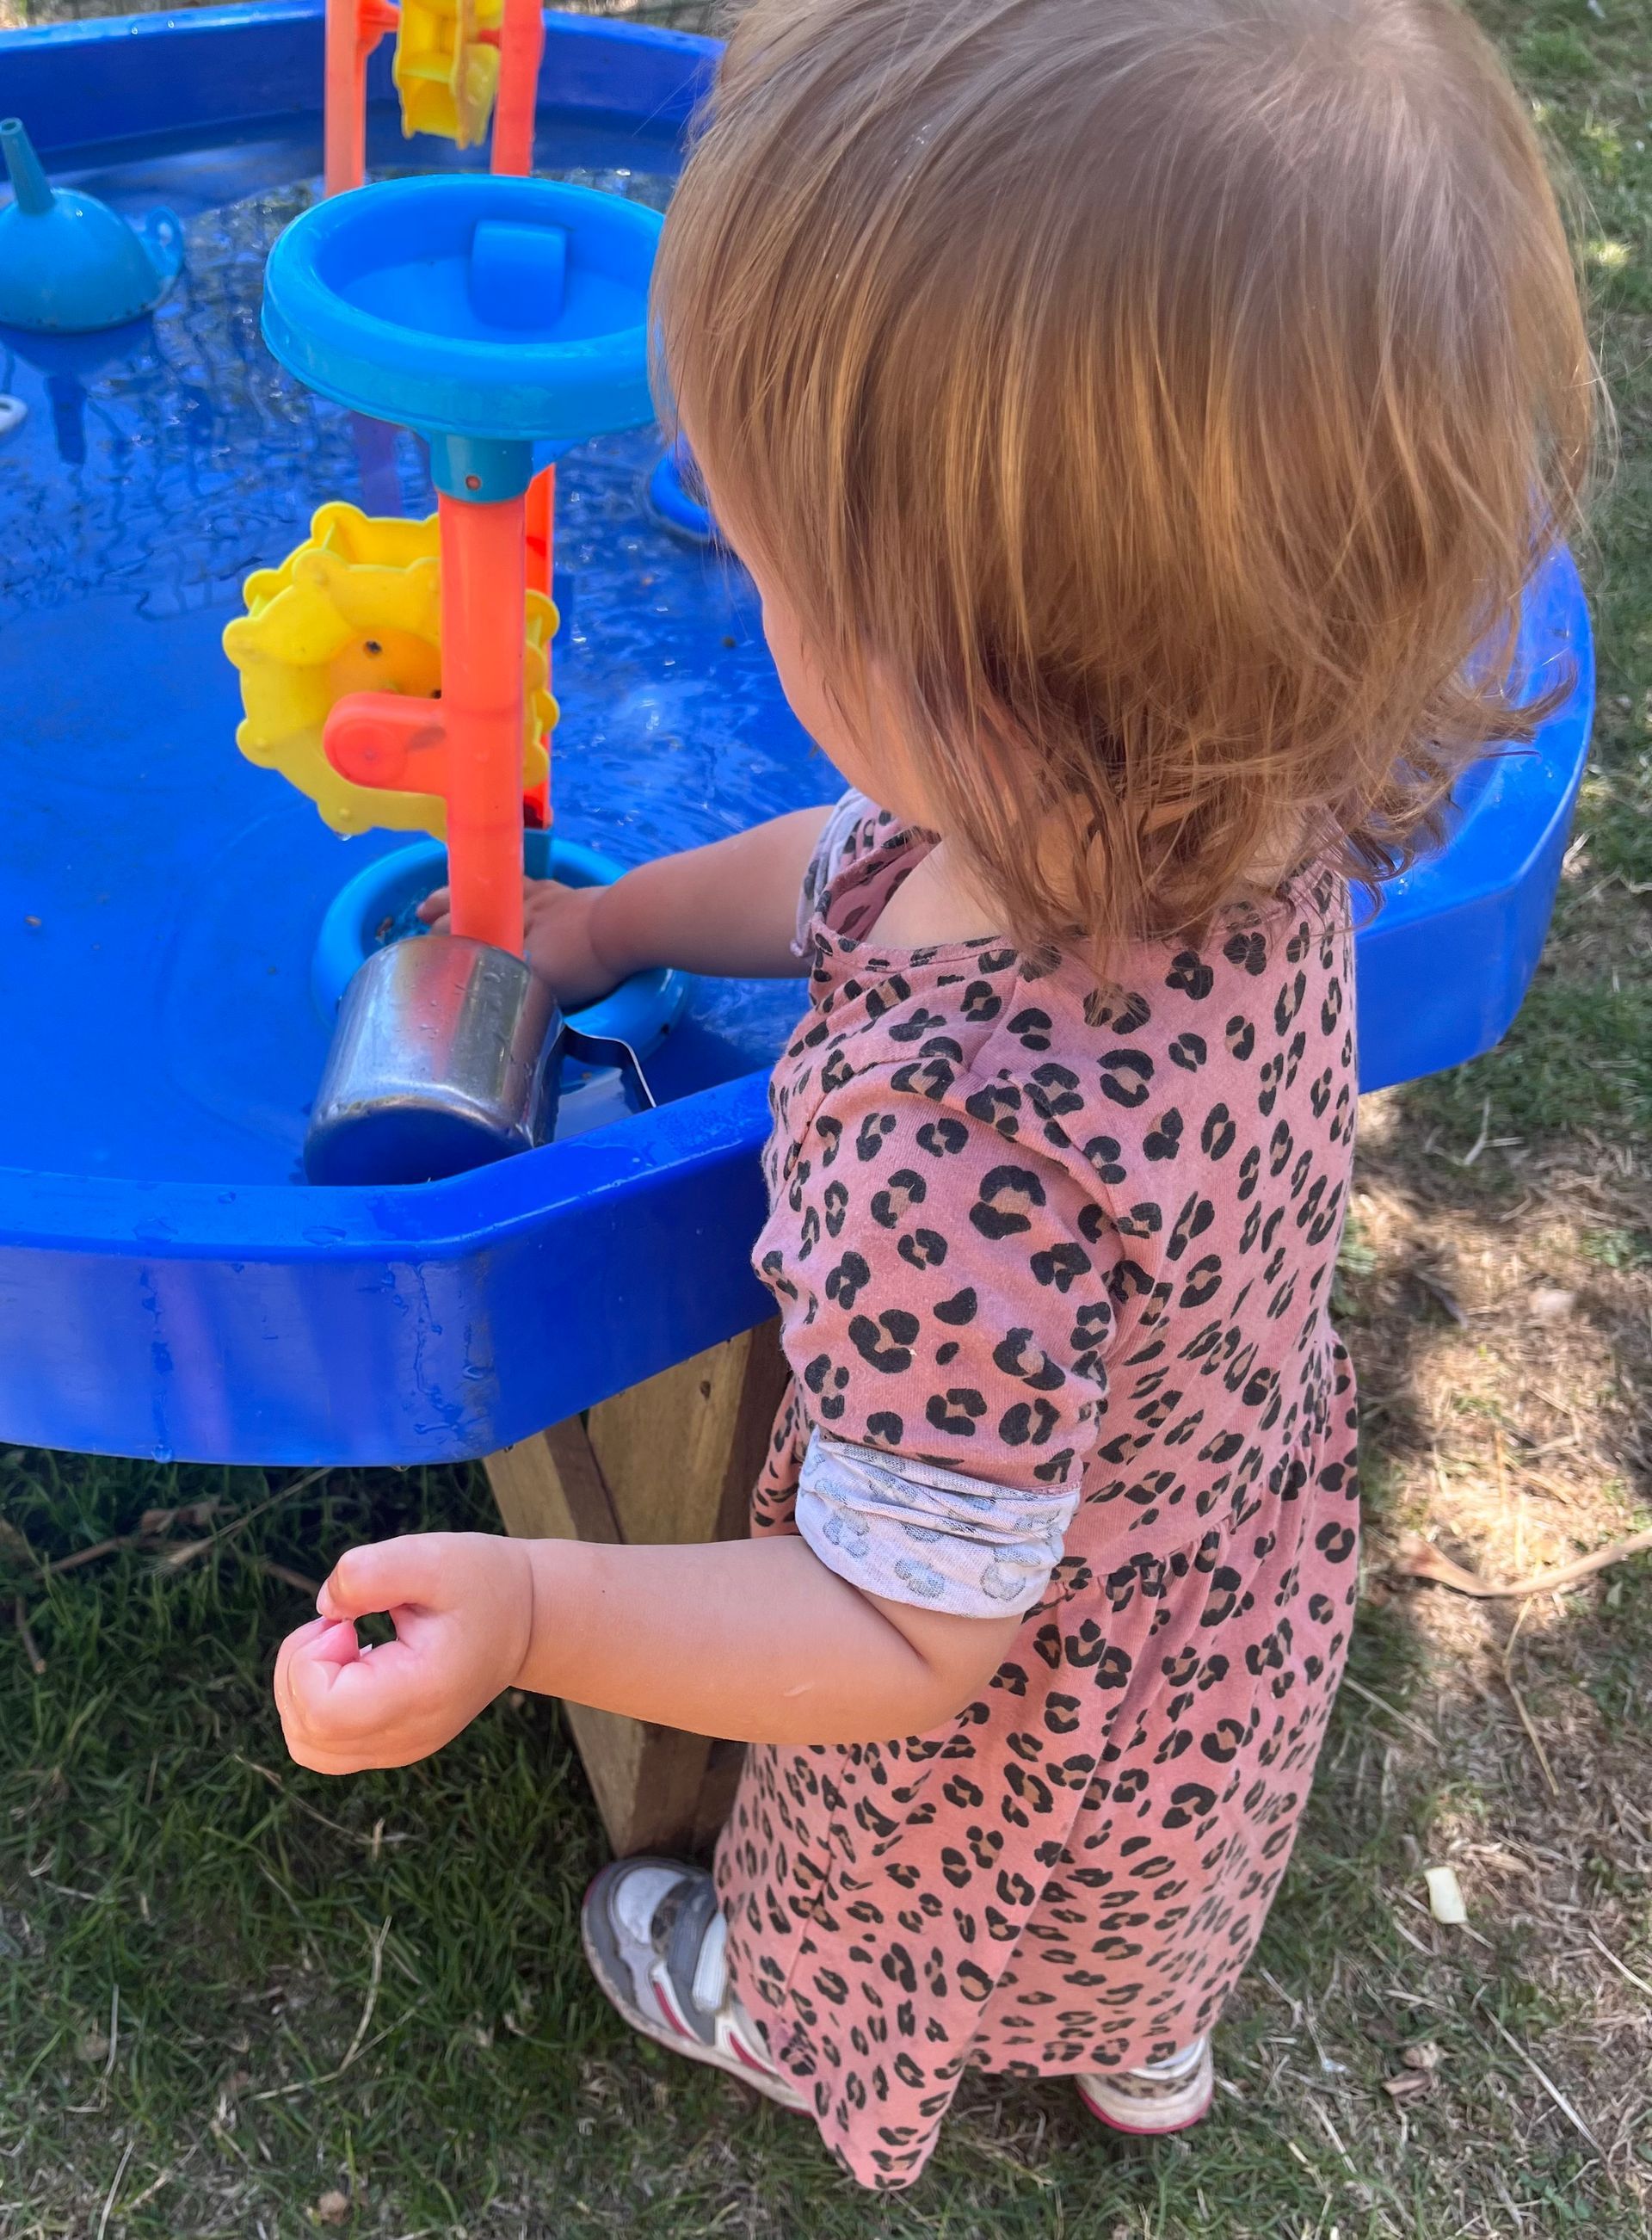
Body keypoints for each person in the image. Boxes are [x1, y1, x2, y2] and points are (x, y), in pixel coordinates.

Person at [274, 0, 1592, 2190]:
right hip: (1225, 1574)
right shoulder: (1269, 803)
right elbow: (844, 868)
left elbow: (893, 1632)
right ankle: (1150, 2052)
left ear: (952, 674)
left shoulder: (946, 1144)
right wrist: (601, 937)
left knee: (869, 1910)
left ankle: (773, 2006)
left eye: (772, 563)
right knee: (1168, 1888)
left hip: (1000, 1732)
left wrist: (525, 1619)